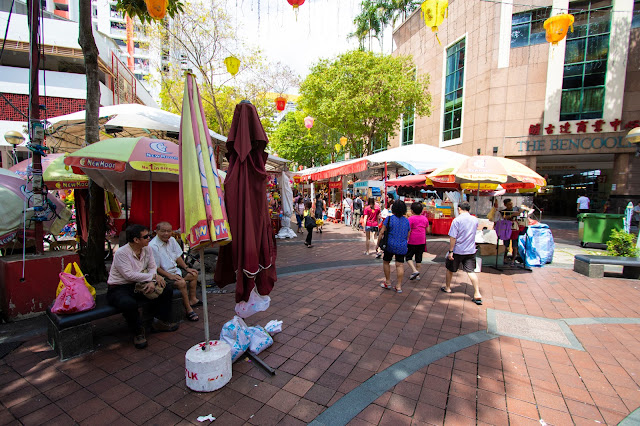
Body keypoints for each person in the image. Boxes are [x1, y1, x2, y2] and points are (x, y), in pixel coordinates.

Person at [107, 224, 179, 349]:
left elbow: (152, 266)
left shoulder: (147, 249)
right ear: (136, 240)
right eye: (146, 236)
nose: (149, 238)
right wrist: (152, 278)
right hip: (120, 287)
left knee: (166, 289)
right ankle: (138, 332)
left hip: (141, 282)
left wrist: (152, 281)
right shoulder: (121, 253)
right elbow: (129, 275)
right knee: (128, 303)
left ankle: (160, 321)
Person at [150, 222, 200, 322]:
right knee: (181, 283)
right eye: (163, 231)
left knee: (193, 274)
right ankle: (188, 310)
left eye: (169, 231)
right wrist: (170, 276)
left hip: (175, 270)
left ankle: (193, 300)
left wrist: (186, 268)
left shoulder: (172, 240)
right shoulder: (153, 246)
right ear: (157, 231)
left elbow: (178, 256)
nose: (166, 233)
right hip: (163, 275)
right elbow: (155, 267)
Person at [442, 202, 482, 305]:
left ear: (459, 209)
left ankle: (447, 287)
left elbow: (453, 237)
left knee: (450, 269)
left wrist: (451, 251)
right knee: (471, 271)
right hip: (470, 249)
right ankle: (477, 293)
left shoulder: (457, 220)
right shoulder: (474, 220)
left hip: (458, 250)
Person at [378, 200, 411, 293]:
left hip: (390, 245)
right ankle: (399, 286)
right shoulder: (406, 221)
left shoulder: (389, 219)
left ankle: (387, 282)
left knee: (386, 262)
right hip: (402, 245)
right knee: (400, 264)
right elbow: (408, 234)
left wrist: (378, 243)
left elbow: (381, 232)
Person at [406, 202, 430, 280]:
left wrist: (407, 238)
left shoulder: (410, 219)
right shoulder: (425, 218)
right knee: (419, 258)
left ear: (412, 211)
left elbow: (408, 231)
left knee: (408, 257)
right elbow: (428, 230)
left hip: (412, 240)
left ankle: (414, 270)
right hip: (422, 241)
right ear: (422, 210)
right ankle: (418, 275)